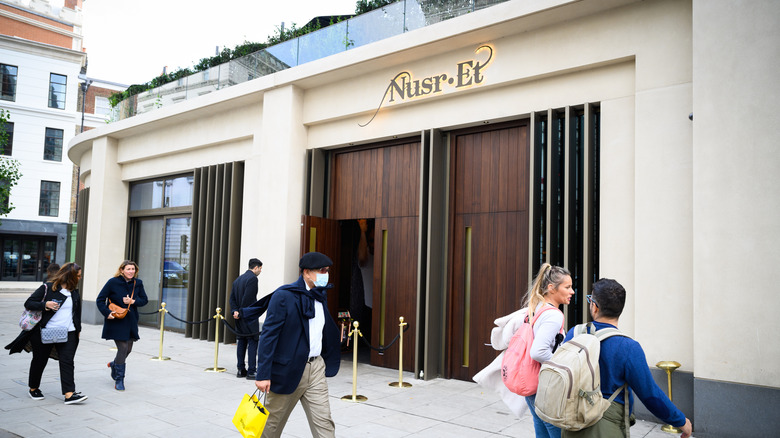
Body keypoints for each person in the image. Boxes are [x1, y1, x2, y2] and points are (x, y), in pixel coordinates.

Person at [561, 278, 692, 438]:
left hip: (572, 422)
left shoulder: (574, 333)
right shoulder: (629, 348)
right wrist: (681, 421)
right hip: (607, 427)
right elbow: (650, 394)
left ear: (595, 307)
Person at [255, 252, 341, 438]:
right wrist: (263, 374)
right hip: (288, 370)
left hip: (316, 368)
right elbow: (269, 336)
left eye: (327, 271)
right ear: (307, 272)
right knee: (271, 426)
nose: (326, 274)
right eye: (322, 270)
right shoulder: (284, 296)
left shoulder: (320, 296)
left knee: (325, 424)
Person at [19, 263, 87, 404]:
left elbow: (77, 313)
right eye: (78, 276)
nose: (80, 278)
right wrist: (45, 305)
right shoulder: (48, 288)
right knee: (40, 360)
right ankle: (33, 388)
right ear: (70, 276)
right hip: (44, 332)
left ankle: (69, 394)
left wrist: (78, 330)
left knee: (67, 361)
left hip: (69, 333)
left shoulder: (74, 292)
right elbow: (29, 303)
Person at [525, 263, 574, 438]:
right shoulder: (554, 315)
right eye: (567, 287)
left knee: (541, 428)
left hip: (533, 383)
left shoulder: (537, 308)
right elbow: (538, 351)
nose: (572, 292)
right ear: (552, 288)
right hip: (545, 385)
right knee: (556, 432)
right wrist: (562, 365)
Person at [96, 260, 149, 391]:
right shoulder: (112, 282)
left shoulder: (138, 283)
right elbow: (100, 299)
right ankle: (119, 379)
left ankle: (115, 364)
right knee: (123, 348)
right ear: (122, 270)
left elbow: (144, 300)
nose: (131, 271)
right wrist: (107, 312)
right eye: (128, 269)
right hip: (116, 319)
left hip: (131, 320)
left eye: (133, 269)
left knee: (129, 349)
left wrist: (133, 301)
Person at [230, 258, 263, 379]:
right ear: (256, 267)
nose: (260, 271)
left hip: (238, 317)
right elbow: (249, 299)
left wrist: (235, 311)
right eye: (260, 268)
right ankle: (251, 371)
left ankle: (240, 369)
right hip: (248, 316)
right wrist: (242, 312)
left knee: (241, 342)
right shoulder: (253, 279)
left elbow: (232, 298)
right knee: (253, 342)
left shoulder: (238, 279)